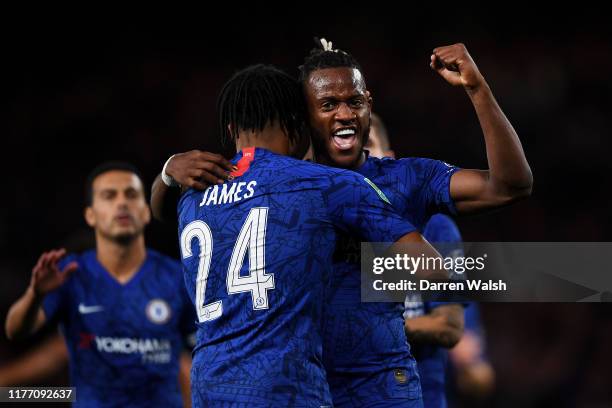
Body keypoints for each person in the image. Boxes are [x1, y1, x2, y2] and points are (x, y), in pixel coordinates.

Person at [153, 39, 532, 407]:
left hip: (382, 385)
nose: (345, 114)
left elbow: (509, 185)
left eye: (354, 102)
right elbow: (169, 214)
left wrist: (477, 88)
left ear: (369, 104)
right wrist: (167, 172)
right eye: (328, 104)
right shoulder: (278, 190)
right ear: (303, 116)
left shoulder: (407, 179)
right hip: (303, 386)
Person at [177, 64, 445, 407]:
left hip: (209, 386)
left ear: (231, 129)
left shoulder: (192, 195)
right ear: (296, 122)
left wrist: (168, 171)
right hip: (286, 385)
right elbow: (432, 269)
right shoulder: (322, 183)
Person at [5, 162, 196, 408]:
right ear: (90, 215)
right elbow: (15, 330)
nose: (121, 203)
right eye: (109, 196)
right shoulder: (70, 273)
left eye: (131, 194)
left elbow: (191, 361)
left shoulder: (176, 276)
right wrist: (36, 294)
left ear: (146, 212)